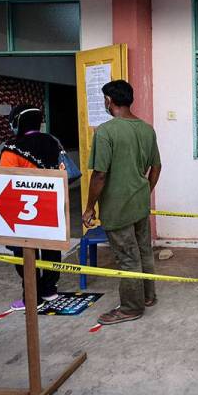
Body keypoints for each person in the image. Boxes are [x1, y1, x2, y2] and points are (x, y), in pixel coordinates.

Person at [82, 80, 162, 325]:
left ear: (109, 100)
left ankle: (130, 307)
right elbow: (156, 167)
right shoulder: (147, 129)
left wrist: (89, 207)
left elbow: (100, 175)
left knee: (127, 257)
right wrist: (144, 190)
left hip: (117, 206)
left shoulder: (106, 131)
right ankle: (148, 296)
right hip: (139, 203)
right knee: (143, 250)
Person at [0, 104, 63, 310]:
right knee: (51, 247)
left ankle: (31, 296)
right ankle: (49, 289)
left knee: (25, 250)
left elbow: (3, 180)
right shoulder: (53, 142)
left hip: (24, 209)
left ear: (17, 122)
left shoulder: (13, 147)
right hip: (50, 203)